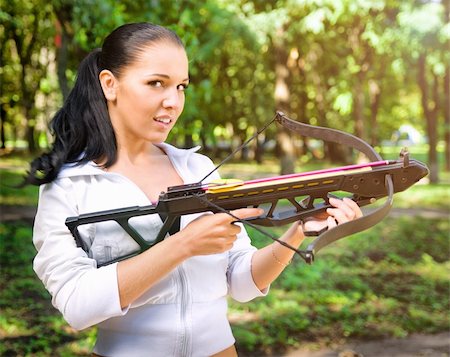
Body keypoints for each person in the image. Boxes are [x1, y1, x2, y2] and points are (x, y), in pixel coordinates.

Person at [25, 22, 362, 357]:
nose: (173, 101)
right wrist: (184, 245)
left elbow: (241, 281)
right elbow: (77, 304)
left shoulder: (198, 170)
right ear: (110, 85)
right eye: (156, 83)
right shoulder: (69, 185)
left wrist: (298, 231)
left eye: (181, 86)